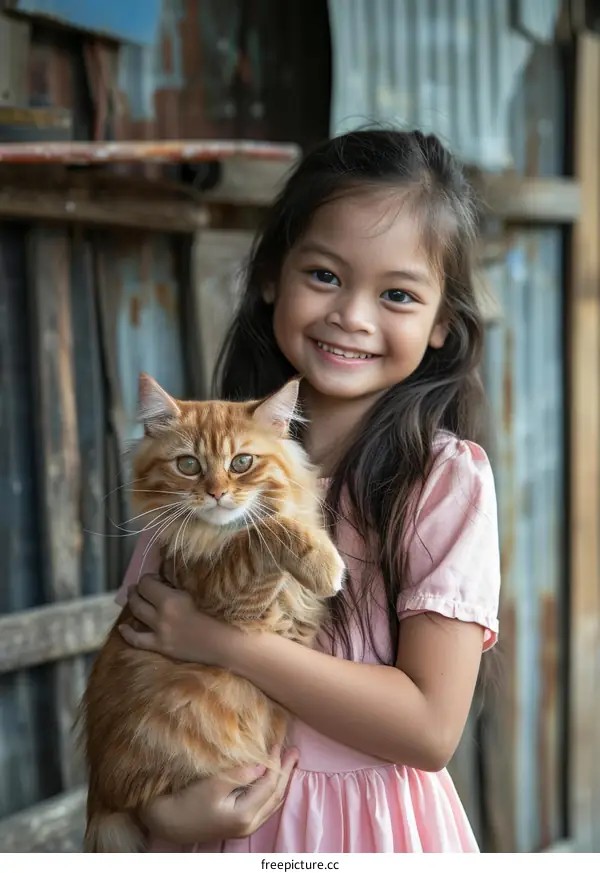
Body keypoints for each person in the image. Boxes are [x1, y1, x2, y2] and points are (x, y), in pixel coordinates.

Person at [114, 128, 501, 853]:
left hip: (367, 833)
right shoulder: (200, 470)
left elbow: (429, 728)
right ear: (271, 276)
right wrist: (159, 818)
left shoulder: (440, 481)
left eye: (396, 293)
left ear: (442, 323)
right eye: (324, 275)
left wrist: (224, 643)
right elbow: (139, 660)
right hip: (214, 824)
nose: (352, 315)